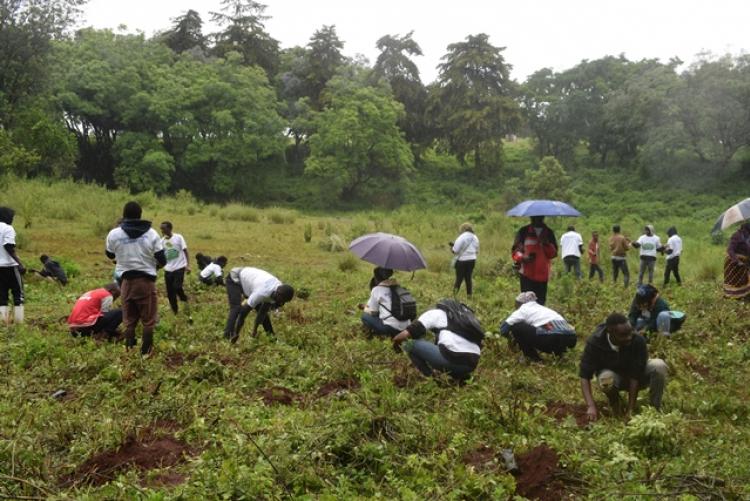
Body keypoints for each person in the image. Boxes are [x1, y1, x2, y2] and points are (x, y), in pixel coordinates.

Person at [579, 313, 668, 421]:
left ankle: (654, 410)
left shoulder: (637, 340)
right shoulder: (595, 342)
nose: (629, 337)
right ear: (610, 332)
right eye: (623, 335)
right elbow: (584, 375)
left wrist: (630, 410)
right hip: (613, 377)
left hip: (637, 377)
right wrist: (591, 406)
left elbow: (635, 375)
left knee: (659, 366)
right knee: (606, 379)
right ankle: (616, 404)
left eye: (630, 332)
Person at [106, 201, 166, 356]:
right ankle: (146, 352)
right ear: (140, 215)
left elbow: (110, 254)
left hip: (125, 282)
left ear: (124, 215)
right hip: (145, 281)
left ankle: (129, 349)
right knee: (148, 319)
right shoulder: (151, 233)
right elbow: (162, 259)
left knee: (129, 320)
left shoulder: (114, 234)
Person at [392, 299, 482, 382]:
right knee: (447, 349)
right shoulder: (464, 319)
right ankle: (461, 377)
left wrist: (396, 343)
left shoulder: (436, 314)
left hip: (451, 359)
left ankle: (431, 378)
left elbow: (405, 335)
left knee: (409, 344)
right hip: (472, 363)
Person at [499, 291, 576, 361]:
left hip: (552, 338)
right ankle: (559, 354)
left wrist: (512, 340)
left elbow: (504, 329)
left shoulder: (523, 309)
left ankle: (532, 357)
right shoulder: (543, 308)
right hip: (571, 337)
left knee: (516, 327)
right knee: (549, 330)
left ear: (521, 303)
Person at [224, 267, 294, 343]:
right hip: (235, 277)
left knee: (265, 316)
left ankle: (272, 339)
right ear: (278, 295)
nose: (281, 304)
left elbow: (262, 312)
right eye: (281, 301)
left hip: (250, 283)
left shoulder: (279, 289)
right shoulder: (262, 293)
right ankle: (228, 336)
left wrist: (254, 330)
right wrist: (236, 333)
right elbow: (243, 314)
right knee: (236, 308)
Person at [511, 216, 557, 305]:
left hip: (542, 275)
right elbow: (515, 251)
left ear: (543, 217)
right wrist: (523, 258)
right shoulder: (523, 231)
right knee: (526, 303)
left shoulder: (549, 233)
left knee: (540, 303)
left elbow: (553, 254)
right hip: (526, 274)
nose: (536, 218)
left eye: (539, 216)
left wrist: (546, 243)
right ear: (531, 217)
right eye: (534, 216)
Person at [359, 267, 409, 337]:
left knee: (365, 316)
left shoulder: (377, 289)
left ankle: (377, 335)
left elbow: (373, 312)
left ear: (376, 278)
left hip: (391, 327)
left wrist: (364, 307)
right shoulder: (399, 287)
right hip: (407, 327)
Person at [160, 221, 191, 319]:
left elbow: (185, 251)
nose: (162, 231)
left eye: (163, 229)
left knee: (177, 287)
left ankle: (184, 299)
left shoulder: (178, 237)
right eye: (161, 229)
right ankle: (175, 311)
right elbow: (160, 255)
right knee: (170, 293)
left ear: (169, 228)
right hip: (168, 269)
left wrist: (187, 265)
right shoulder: (162, 241)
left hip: (179, 267)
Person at [0, 207, 25, 325]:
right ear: (6, 216)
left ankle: (3, 322)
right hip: (10, 266)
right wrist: (19, 263)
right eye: (12, 217)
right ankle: (19, 323)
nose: (12, 219)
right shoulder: (8, 228)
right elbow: (8, 246)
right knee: (18, 295)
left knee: (2, 296)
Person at [451, 222, 480, 296]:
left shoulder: (461, 237)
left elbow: (455, 250)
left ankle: (454, 296)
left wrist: (452, 247)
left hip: (462, 260)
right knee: (468, 278)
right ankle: (469, 296)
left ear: (463, 229)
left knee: (459, 279)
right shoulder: (475, 237)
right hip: (472, 260)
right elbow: (476, 250)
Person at [724, 223, 750, 299]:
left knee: (743, 279)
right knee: (734, 281)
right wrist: (737, 261)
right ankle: (732, 296)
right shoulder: (736, 236)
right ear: (744, 229)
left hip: (744, 261)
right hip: (732, 261)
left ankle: (742, 295)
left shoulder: (747, 238)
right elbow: (730, 249)